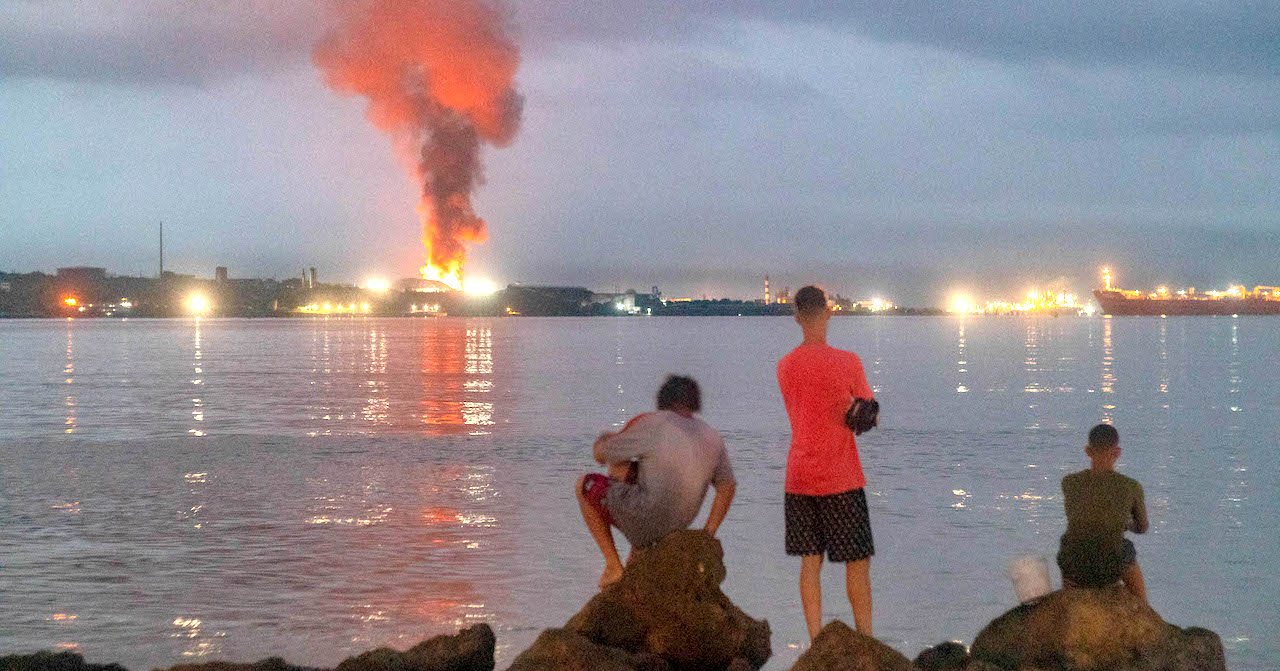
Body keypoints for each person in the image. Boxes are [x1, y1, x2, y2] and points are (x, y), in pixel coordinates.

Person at [777, 285, 877, 639]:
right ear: (829, 312)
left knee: (810, 562)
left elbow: (804, 409)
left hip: (800, 475)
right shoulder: (848, 361)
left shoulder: (785, 366)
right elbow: (868, 414)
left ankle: (816, 641)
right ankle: (865, 638)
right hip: (841, 476)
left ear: (797, 318)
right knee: (857, 562)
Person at [576, 375, 737, 588]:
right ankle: (639, 554)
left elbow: (601, 454)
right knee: (635, 470)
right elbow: (727, 486)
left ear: (663, 400)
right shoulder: (711, 435)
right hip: (677, 526)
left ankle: (613, 565)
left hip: (646, 518)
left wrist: (609, 437)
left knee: (585, 484)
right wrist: (708, 532)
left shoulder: (654, 422)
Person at [1057, 423, 1149, 602]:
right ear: (1117, 453)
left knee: (1070, 543)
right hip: (1111, 562)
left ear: (1087, 451)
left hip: (1074, 559)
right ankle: (1143, 607)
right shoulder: (1131, 486)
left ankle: (1068, 600)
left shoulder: (1069, 482)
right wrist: (1127, 524)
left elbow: (1080, 517)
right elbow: (1142, 527)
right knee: (1124, 548)